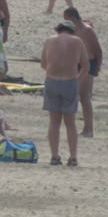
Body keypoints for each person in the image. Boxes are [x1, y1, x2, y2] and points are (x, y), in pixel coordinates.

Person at [41, 20, 88, 166]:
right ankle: (73, 157)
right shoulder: (77, 41)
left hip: (52, 81)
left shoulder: (49, 40)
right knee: (70, 123)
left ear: (58, 30)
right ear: (71, 30)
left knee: (54, 122)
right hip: (69, 81)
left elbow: (43, 64)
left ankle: (54, 156)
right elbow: (85, 67)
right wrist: (76, 81)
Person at [62, 6, 101, 138]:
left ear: (73, 18)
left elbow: (98, 50)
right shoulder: (72, 31)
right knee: (74, 96)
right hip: (76, 64)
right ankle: (78, 128)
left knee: (85, 97)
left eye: (66, 19)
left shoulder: (87, 30)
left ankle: (89, 129)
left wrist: (97, 68)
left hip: (89, 64)